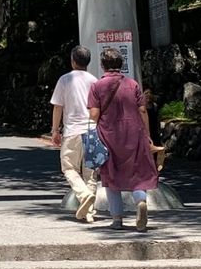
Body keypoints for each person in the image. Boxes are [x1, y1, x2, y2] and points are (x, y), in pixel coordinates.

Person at [87, 48, 159, 229]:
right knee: (138, 172)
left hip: (108, 134)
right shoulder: (133, 84)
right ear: (121, 64)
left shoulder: (97, 86)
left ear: (103, 65)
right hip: (134, 133)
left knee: (111, 176)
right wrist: (147, 135)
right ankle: (140, 201)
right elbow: (142, 110)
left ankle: (117, 219)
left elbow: (94, 114)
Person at [49, 44, 99, 223]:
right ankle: (89, 212)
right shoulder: (94, 80)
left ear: (72, 61)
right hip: (92, 131)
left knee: (69, 167)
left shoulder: (65, 80)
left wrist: (55, 130)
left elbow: (58, 107)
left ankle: (84, 195)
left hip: (72, 131)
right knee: (91, 173)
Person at [142, 88, 168, 174]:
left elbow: (158, 118)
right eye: (146, 93)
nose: (148, 95)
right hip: (145, 130)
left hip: (154, 130)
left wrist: (159, 129)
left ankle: (156, 167)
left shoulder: (155, 106)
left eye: (150, 93)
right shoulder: (142, 107)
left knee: (156, 148)